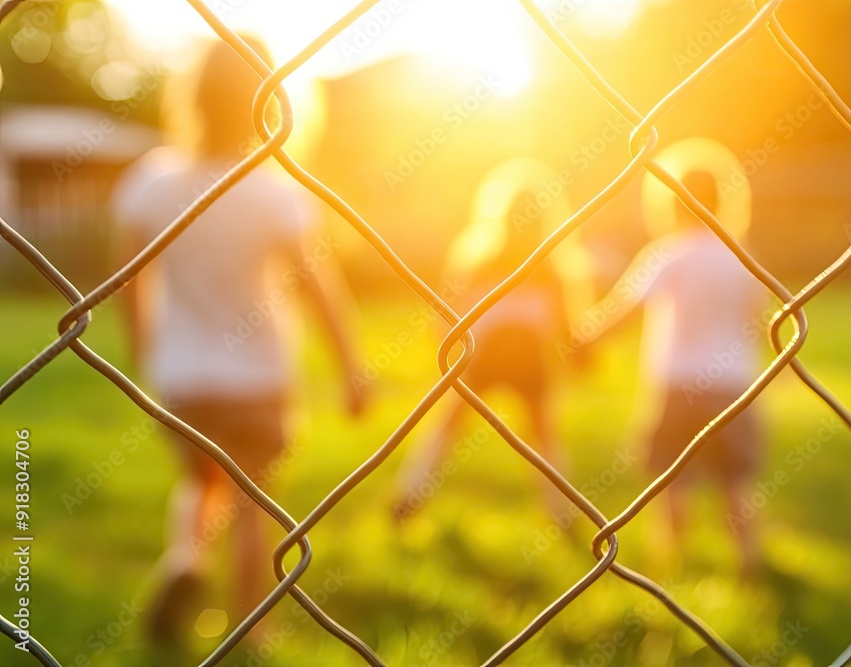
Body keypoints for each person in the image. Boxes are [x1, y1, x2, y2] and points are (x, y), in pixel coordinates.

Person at [111, 36, 365, 651]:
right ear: (270, 100)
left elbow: (126, 279)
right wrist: (351, 365)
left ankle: (185, 559)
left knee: (200, 483)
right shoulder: (272, 191)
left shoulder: (153, 180)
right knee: (253, 502)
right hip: (257, 378)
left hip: (182, 377)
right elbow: (318, 287)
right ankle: (252, 635)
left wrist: (145, 347)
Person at [587, 138, 769, 573]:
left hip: (676, 383)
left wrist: (583, 337)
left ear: (669, 203)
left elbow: (622, 313)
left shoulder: (667, 255)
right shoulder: (739, 256)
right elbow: (762, 319)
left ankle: (670, 563)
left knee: (672, 478)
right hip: (734, 385)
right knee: (735, 479)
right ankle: (749, 560)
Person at [392, 158, 590, 520]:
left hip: (489, 358)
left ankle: (411, 493)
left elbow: (450, 312)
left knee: (451, 425)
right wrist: (579, 354)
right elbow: (568, 326)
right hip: (518, 359)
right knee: (542, 436)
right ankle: (561, 511)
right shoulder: (546, 267)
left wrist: (445, 347)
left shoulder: (487, 261)